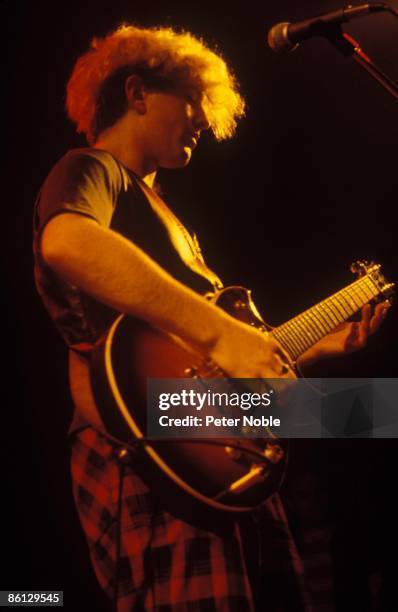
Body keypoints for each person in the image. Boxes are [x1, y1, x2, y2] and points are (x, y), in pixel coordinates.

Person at [33, 24, 389, 611]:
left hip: (200, 416)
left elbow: (209, 364)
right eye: (193, 100)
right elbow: (66, 242)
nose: (205, 120)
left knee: (374, 411)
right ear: (138, 93)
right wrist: (221, 330)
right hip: (153, 428)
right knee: (371, 413)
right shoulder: (91, 170)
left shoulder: (164, 213)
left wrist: (316, 349)